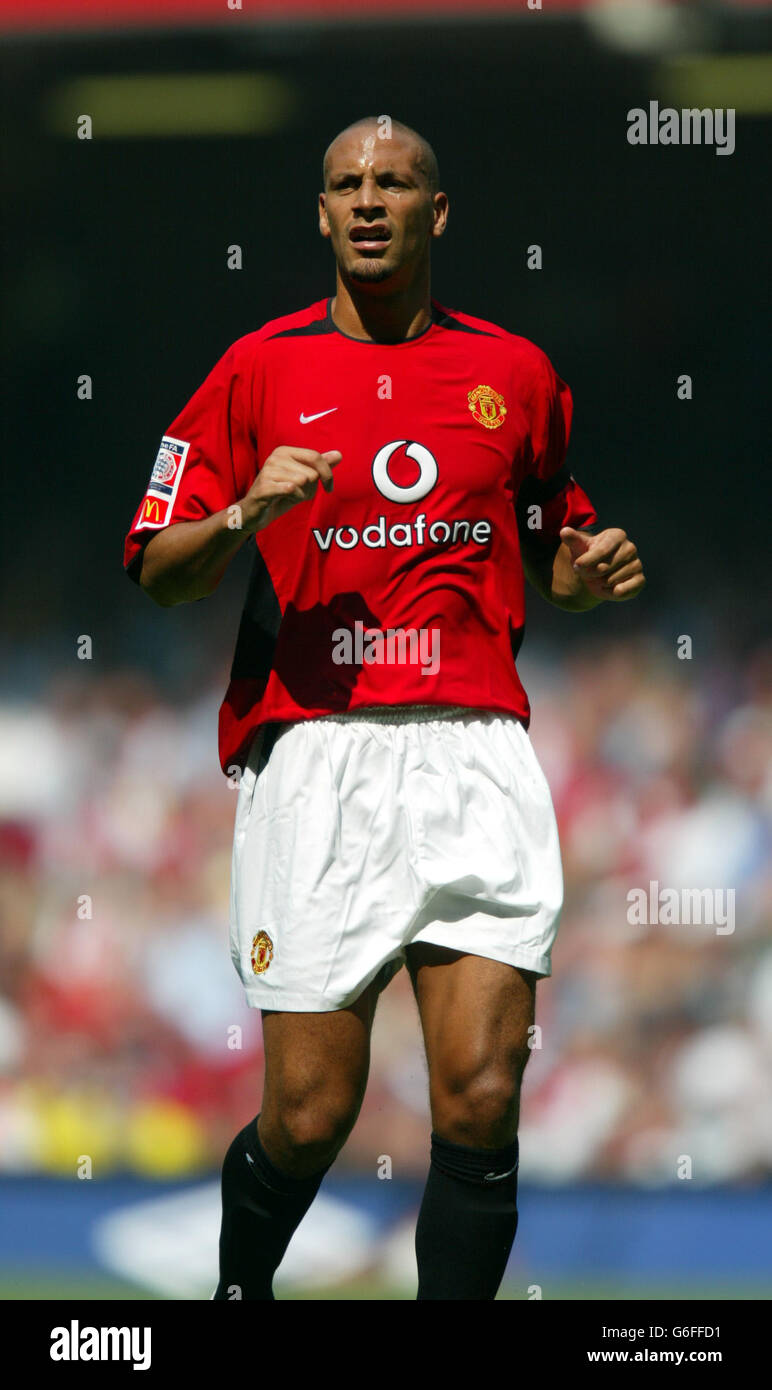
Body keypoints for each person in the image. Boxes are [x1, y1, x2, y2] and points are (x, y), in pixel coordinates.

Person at [123, 115, 646, 1301]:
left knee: (479, 1092)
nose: (369, 200)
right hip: (316, 751)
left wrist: (581, 568)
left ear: (436, 211)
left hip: (474, 750)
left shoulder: (513, 375)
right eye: (347, 185)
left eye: (394, 183)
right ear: (320, 214)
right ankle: (236, 1291)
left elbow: (547, 539)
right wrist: (245, 512)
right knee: (308, 1115)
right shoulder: (256, 369)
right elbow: (158, 570)